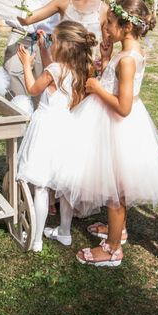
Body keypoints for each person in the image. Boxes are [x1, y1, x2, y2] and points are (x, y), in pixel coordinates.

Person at [51, 0, 158, 267]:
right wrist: (106, 58)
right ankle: (119, 229)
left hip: (117, 127)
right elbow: (115, 81)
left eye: (109, 24)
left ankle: (112, 249)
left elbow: (124, 106)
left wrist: (96, 88)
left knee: (115, 191)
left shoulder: (128, 60)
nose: (105, 29)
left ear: (126, 26)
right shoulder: (127, 52)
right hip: (110, 125)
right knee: (116, 186)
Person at [16, 21, 97, 252]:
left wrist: (26, 65)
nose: (51, 44)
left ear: (62, 46)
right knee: (65, 185)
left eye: (52, 41)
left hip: (46, 130)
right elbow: (53, 68)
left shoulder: (54, 71)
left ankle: (36, 240)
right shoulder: (80, 69)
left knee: (41, 186)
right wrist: (43, 48)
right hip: (68, 130)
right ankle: (64, 232)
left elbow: (33, 89)